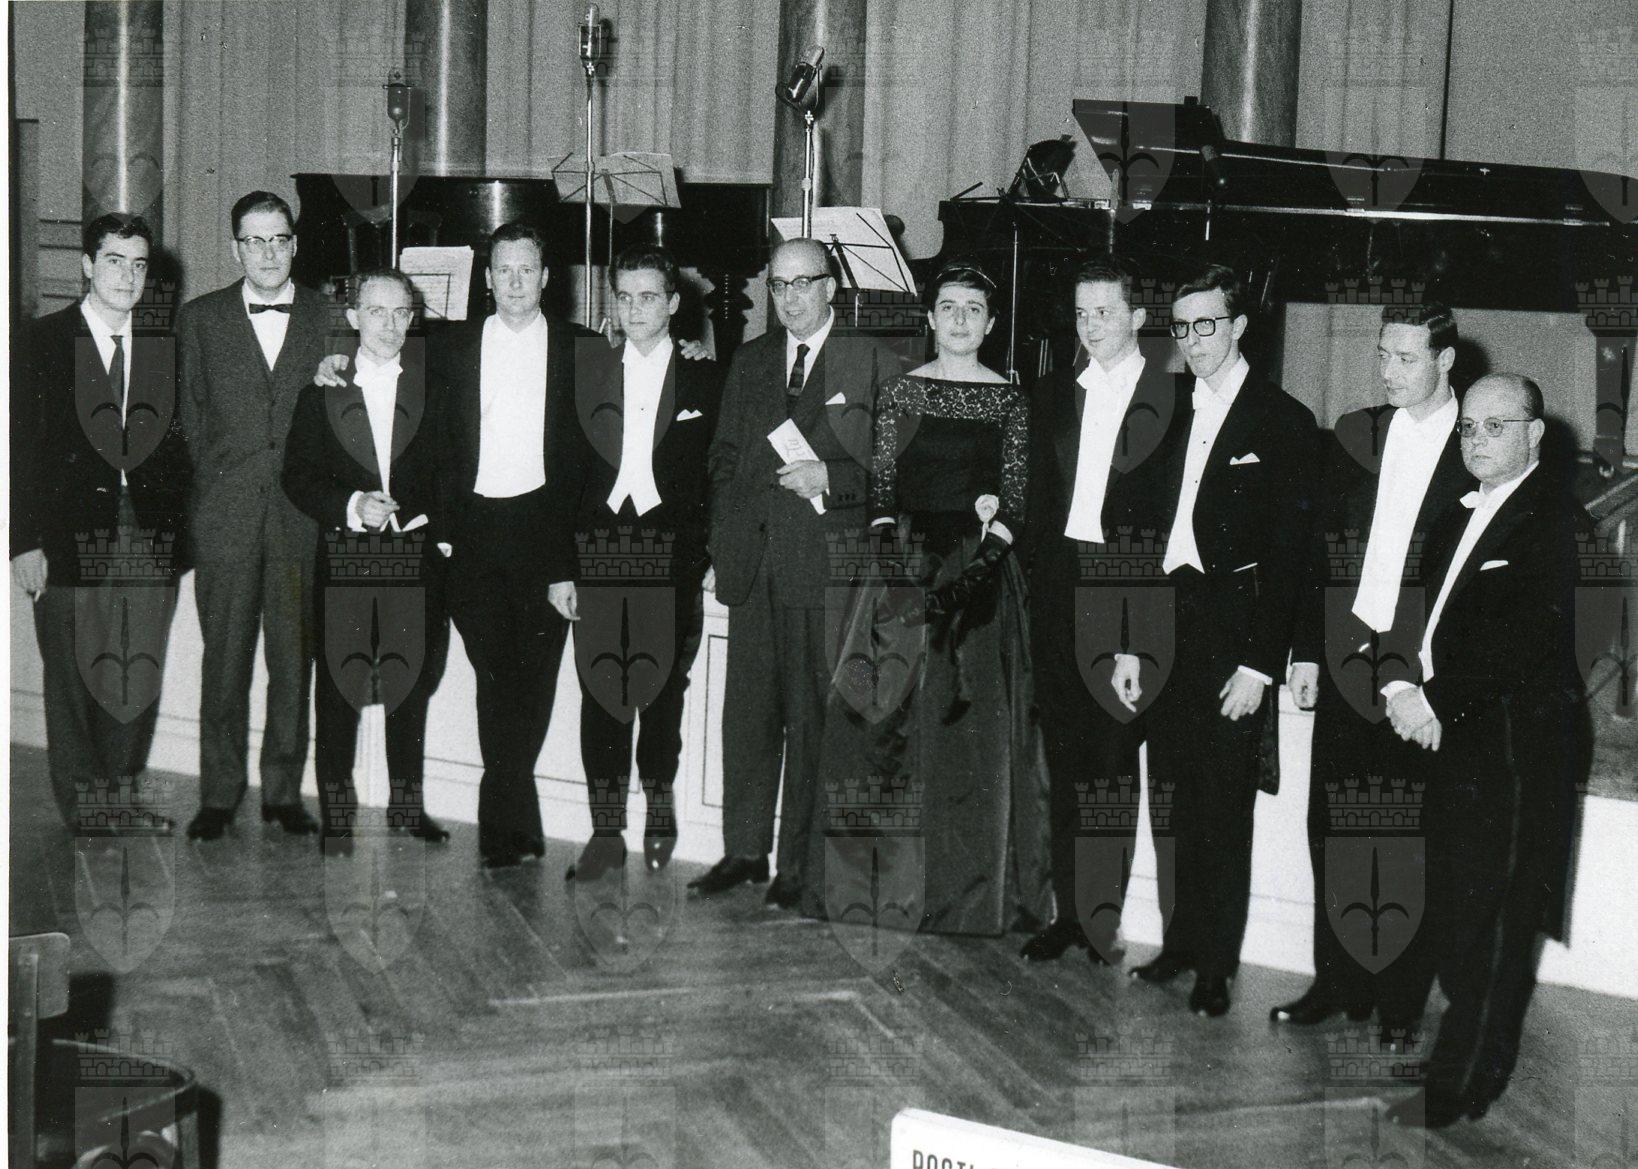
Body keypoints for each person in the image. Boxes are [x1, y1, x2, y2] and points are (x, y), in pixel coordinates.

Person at [801, 260, 1050, 934]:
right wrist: (892, 565)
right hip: (900, 568)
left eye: (974, 309)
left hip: (978, 578)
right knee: (869, 722)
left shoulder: (1010, 401)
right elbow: (882, 490)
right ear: (931, 319)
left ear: (991, 325)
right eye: (949, 307)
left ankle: (959, 899)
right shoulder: (901, 392)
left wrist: (969, 579)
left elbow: (1015, 503)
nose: (960, 319)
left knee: (965, 735)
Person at [1380, 373, 1588, 1129]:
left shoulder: (1556, 523)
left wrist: (1431, 700)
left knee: (1497, 921)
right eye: (1468, 426)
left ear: (1535, 434)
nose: (1476, 439)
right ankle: (1460, 1059)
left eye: (1496, 426)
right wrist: (1401, 685)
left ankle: (1462, 1084)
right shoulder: (1455, 514)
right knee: (1457, 912)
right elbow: (1414, 614)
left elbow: (1523, 642)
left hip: (1514, 751)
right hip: (1453, 740)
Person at [1119, 262, 1319, 1016]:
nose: (1192, 339)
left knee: (1223, 807)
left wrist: (1261, 665)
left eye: (1207, 324)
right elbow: (1143, 532)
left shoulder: (1283, 420)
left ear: (1238, 326)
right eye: (1181, 326)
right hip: (1166, 623)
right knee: (1171, 797)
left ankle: (1214, 965)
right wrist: (1133, 642)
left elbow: (1293, 554)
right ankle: (1178, 943)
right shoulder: (1165, 407)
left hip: (1233, 633)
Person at [1273, 304, 1472, 1033]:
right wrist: (1304, 649)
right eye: (1383, 355)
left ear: (1445, 361)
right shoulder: (1358, 432)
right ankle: (1336, 982)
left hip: (1422, 671)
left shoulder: (1475, 443)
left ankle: (1398, 1001)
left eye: (1406, 358)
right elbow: (1317, 545)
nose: (1388, 372)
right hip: (1346, 656)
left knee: (1409, 838)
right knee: (1332, 827)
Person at [695, 238, 894, 905]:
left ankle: (798, 867)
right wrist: (723, 543)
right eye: (778, 286)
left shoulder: (870, 361)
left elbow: (892, 472)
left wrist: (830, 477)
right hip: (754, 568)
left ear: (831, 287)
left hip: (822, 568)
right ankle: (744, 852)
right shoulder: (751, 359)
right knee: (748, 719)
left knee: (811, 723)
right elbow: (723, 458)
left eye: (803, 283)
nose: (789, 298)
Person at [1021, 255, 1181, 966]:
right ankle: (1067, 913)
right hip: (1059, 589)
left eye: (1105, 313)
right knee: (1065, 760)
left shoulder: (1174, 399)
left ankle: (1099, 919)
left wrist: (1134, 633)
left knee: (1111, 763)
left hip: (1127, 594)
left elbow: (1166, 524)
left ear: (1138, 318)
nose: (1090, 326)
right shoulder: (1054, 390)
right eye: (1082, 314)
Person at [545, 244, 722, 880]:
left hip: (671, 555)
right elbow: (562, 475)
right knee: (602, 696)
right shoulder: (586, 373)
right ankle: (604, 831)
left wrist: (709, 551)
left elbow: (719, 474)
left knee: (662, 692)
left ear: (673, 304)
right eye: (624, 298)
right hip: (597, 551)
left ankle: (660, 808)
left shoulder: (706, 377)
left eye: (649, 297)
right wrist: (562, 566)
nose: (636, 309)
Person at [10, 212, 189, 833]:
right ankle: (87, 811)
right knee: (72, 680)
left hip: (147, 534)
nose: (128, 276)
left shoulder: (164, 346)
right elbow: (17, 449)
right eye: (114, 260)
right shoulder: (40, 341)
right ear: (87, 265)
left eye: (139, 264)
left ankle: (119, 798)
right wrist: (23, 541)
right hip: (65, 536)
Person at [430, 221, 601, 869]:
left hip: (545, 535)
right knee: (494, 677)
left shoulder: (583, 349)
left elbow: (591, 462)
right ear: (487, 277)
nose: (515, 281)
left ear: (547, 277)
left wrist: (569, 560)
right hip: (473, 535)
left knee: (532, 681)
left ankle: (502, 822)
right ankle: (512, 820)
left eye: (527, 269)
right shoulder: (451, 345)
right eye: (503, 269)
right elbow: (432, 440)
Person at [177, 191, 333, 841]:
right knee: (224, 660)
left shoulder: (328, 314)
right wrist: (214, 494)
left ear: (295, 244)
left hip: (300, 518)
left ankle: (282, 792)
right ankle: (218, 793)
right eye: (254, 240)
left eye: (279, 239)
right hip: (226, 517)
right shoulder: (199, 319)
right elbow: (187, 420)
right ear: (235, 248)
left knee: (293, 660)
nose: (268, 252)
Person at [281, 269, 451, 850]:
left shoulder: (434, 388)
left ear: (413, 317)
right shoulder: (322, 390)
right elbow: (297, 477)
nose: (389, 324)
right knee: (336, 692)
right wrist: (353, 505)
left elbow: (453, 468)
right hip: (346, 559)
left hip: (415, 561)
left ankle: (407, 807)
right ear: (353, 318)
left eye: (401, 312)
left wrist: (433, 527)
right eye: (376, 311)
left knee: (412, 687)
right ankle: (337, 816)